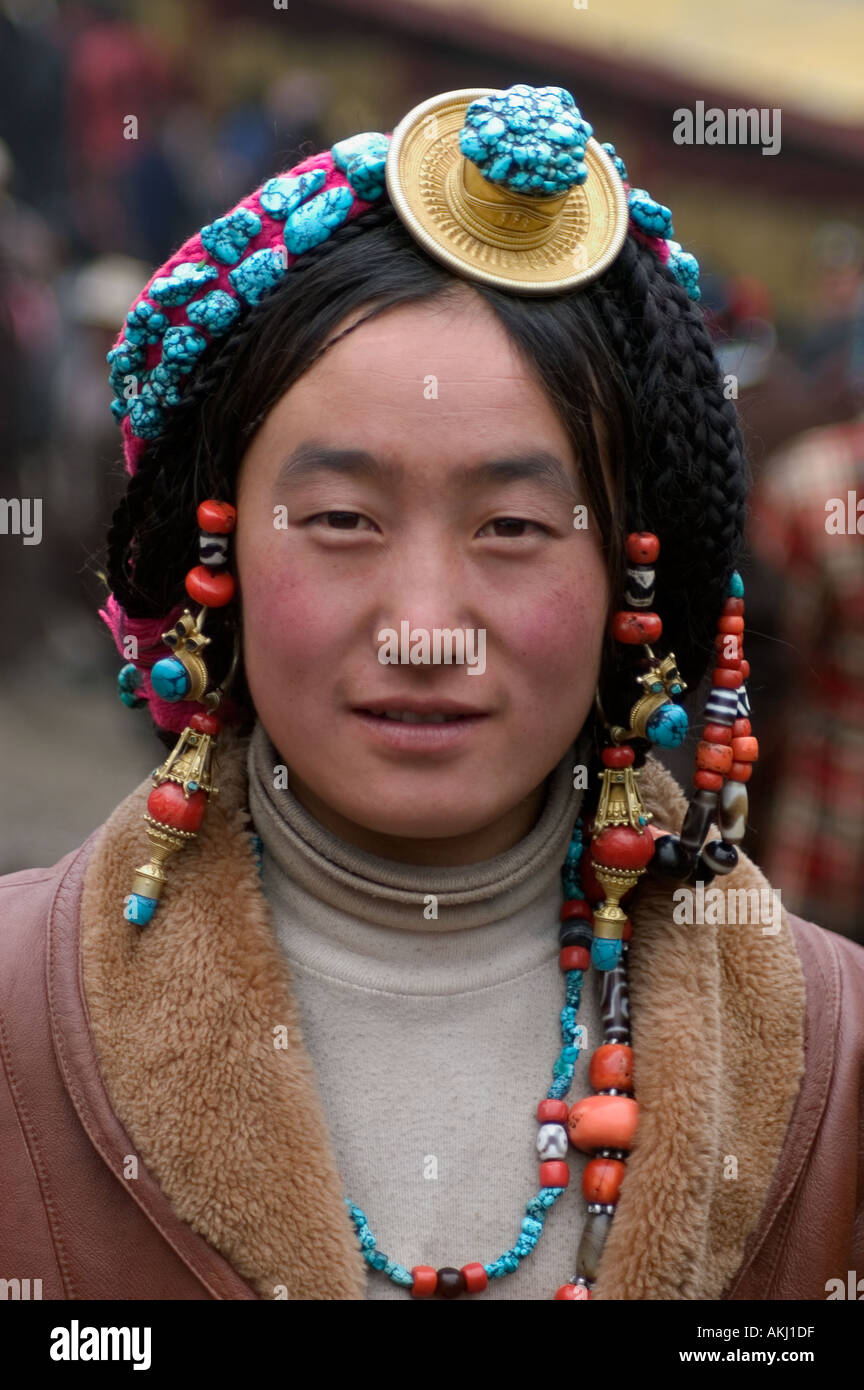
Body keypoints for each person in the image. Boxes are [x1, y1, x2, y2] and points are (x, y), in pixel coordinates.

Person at [1, 83, 861, 1303]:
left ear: (631, 564)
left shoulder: (838, 1077)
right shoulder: (15, 1014)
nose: (422, 630)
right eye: (342, 519)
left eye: (513, 525)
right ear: (222, 546)